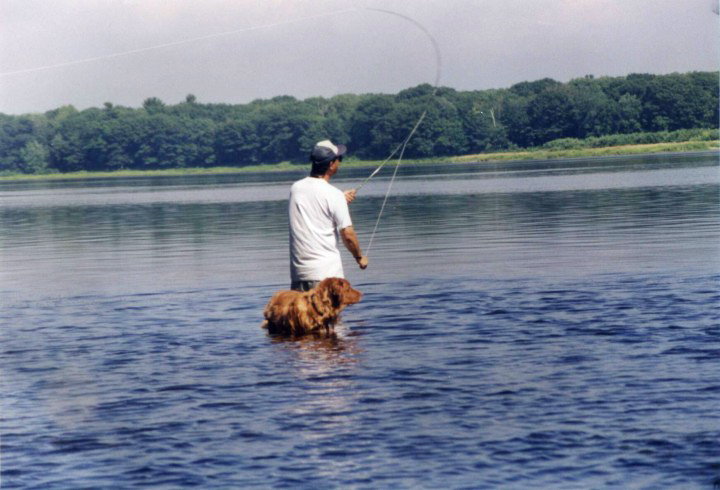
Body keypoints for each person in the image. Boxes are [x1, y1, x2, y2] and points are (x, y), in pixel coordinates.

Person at [288, 140, 368, 291]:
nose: (340, 162)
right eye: (339, 159)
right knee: (330, 315)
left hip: (299, 276)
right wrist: (359, 257)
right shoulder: (334, 195)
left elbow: (314, 205)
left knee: (303, 315)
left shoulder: (295, 188)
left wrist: (340, 200)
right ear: (331, 164)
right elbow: (348, 234)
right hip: (327, 277)